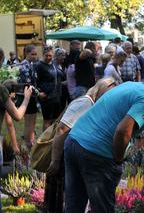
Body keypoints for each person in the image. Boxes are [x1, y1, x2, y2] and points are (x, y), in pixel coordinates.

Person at [64, 71, 144, 212]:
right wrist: (118, 160)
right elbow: (123, 131)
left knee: (74, 204)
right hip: (96, 152)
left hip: (74, 141)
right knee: (103, 208)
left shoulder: (132, 85)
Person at [44, 77, 117, 213]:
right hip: (67, 153)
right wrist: (55, 160)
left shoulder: (95, 104)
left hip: (77, 152)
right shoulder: (85, 103)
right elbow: (62, 129)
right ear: (101, 89)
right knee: (69, 200)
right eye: (109, 93)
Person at [0, 80, 32, 211]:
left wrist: (14, 145)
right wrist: (26, 98)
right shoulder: (1, 90)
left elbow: (9, 122)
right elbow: (16, 117)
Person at [35, 46, 64, 130]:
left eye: (50, 56)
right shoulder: (39, 65)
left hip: (56, 96)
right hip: (46, 97)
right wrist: (39, 93)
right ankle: (44, 141)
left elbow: (60, 75)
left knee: (56, 119)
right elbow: (35, 81)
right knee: (47, 120)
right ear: (43, 54)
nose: (48, 57)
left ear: (53, 55)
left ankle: (52, 139)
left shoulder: (53, 64)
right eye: (46, 55)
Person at [18, 44, 38, 148]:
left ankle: (31, 141)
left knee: (32, 121)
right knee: (29, 121)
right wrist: (38, 92)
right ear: (26, 53)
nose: (35, 56)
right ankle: (29, 143)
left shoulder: (31, 64)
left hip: (31, 96)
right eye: (32, 54)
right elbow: (28, 83)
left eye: (36, 54)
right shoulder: (24, 65)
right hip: (27, 96)